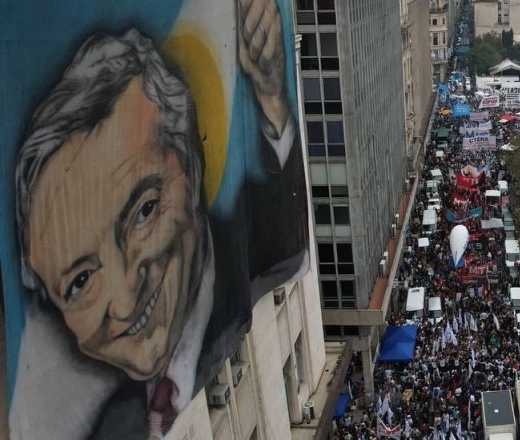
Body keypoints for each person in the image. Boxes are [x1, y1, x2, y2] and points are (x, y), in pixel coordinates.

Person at [8, 1, 306, 437]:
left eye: (143, 212)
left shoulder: (252, 239)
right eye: (80, 281)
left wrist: (273, 100)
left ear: (191, 164)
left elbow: (283, 221)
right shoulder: (106, 426)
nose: (125, 299)